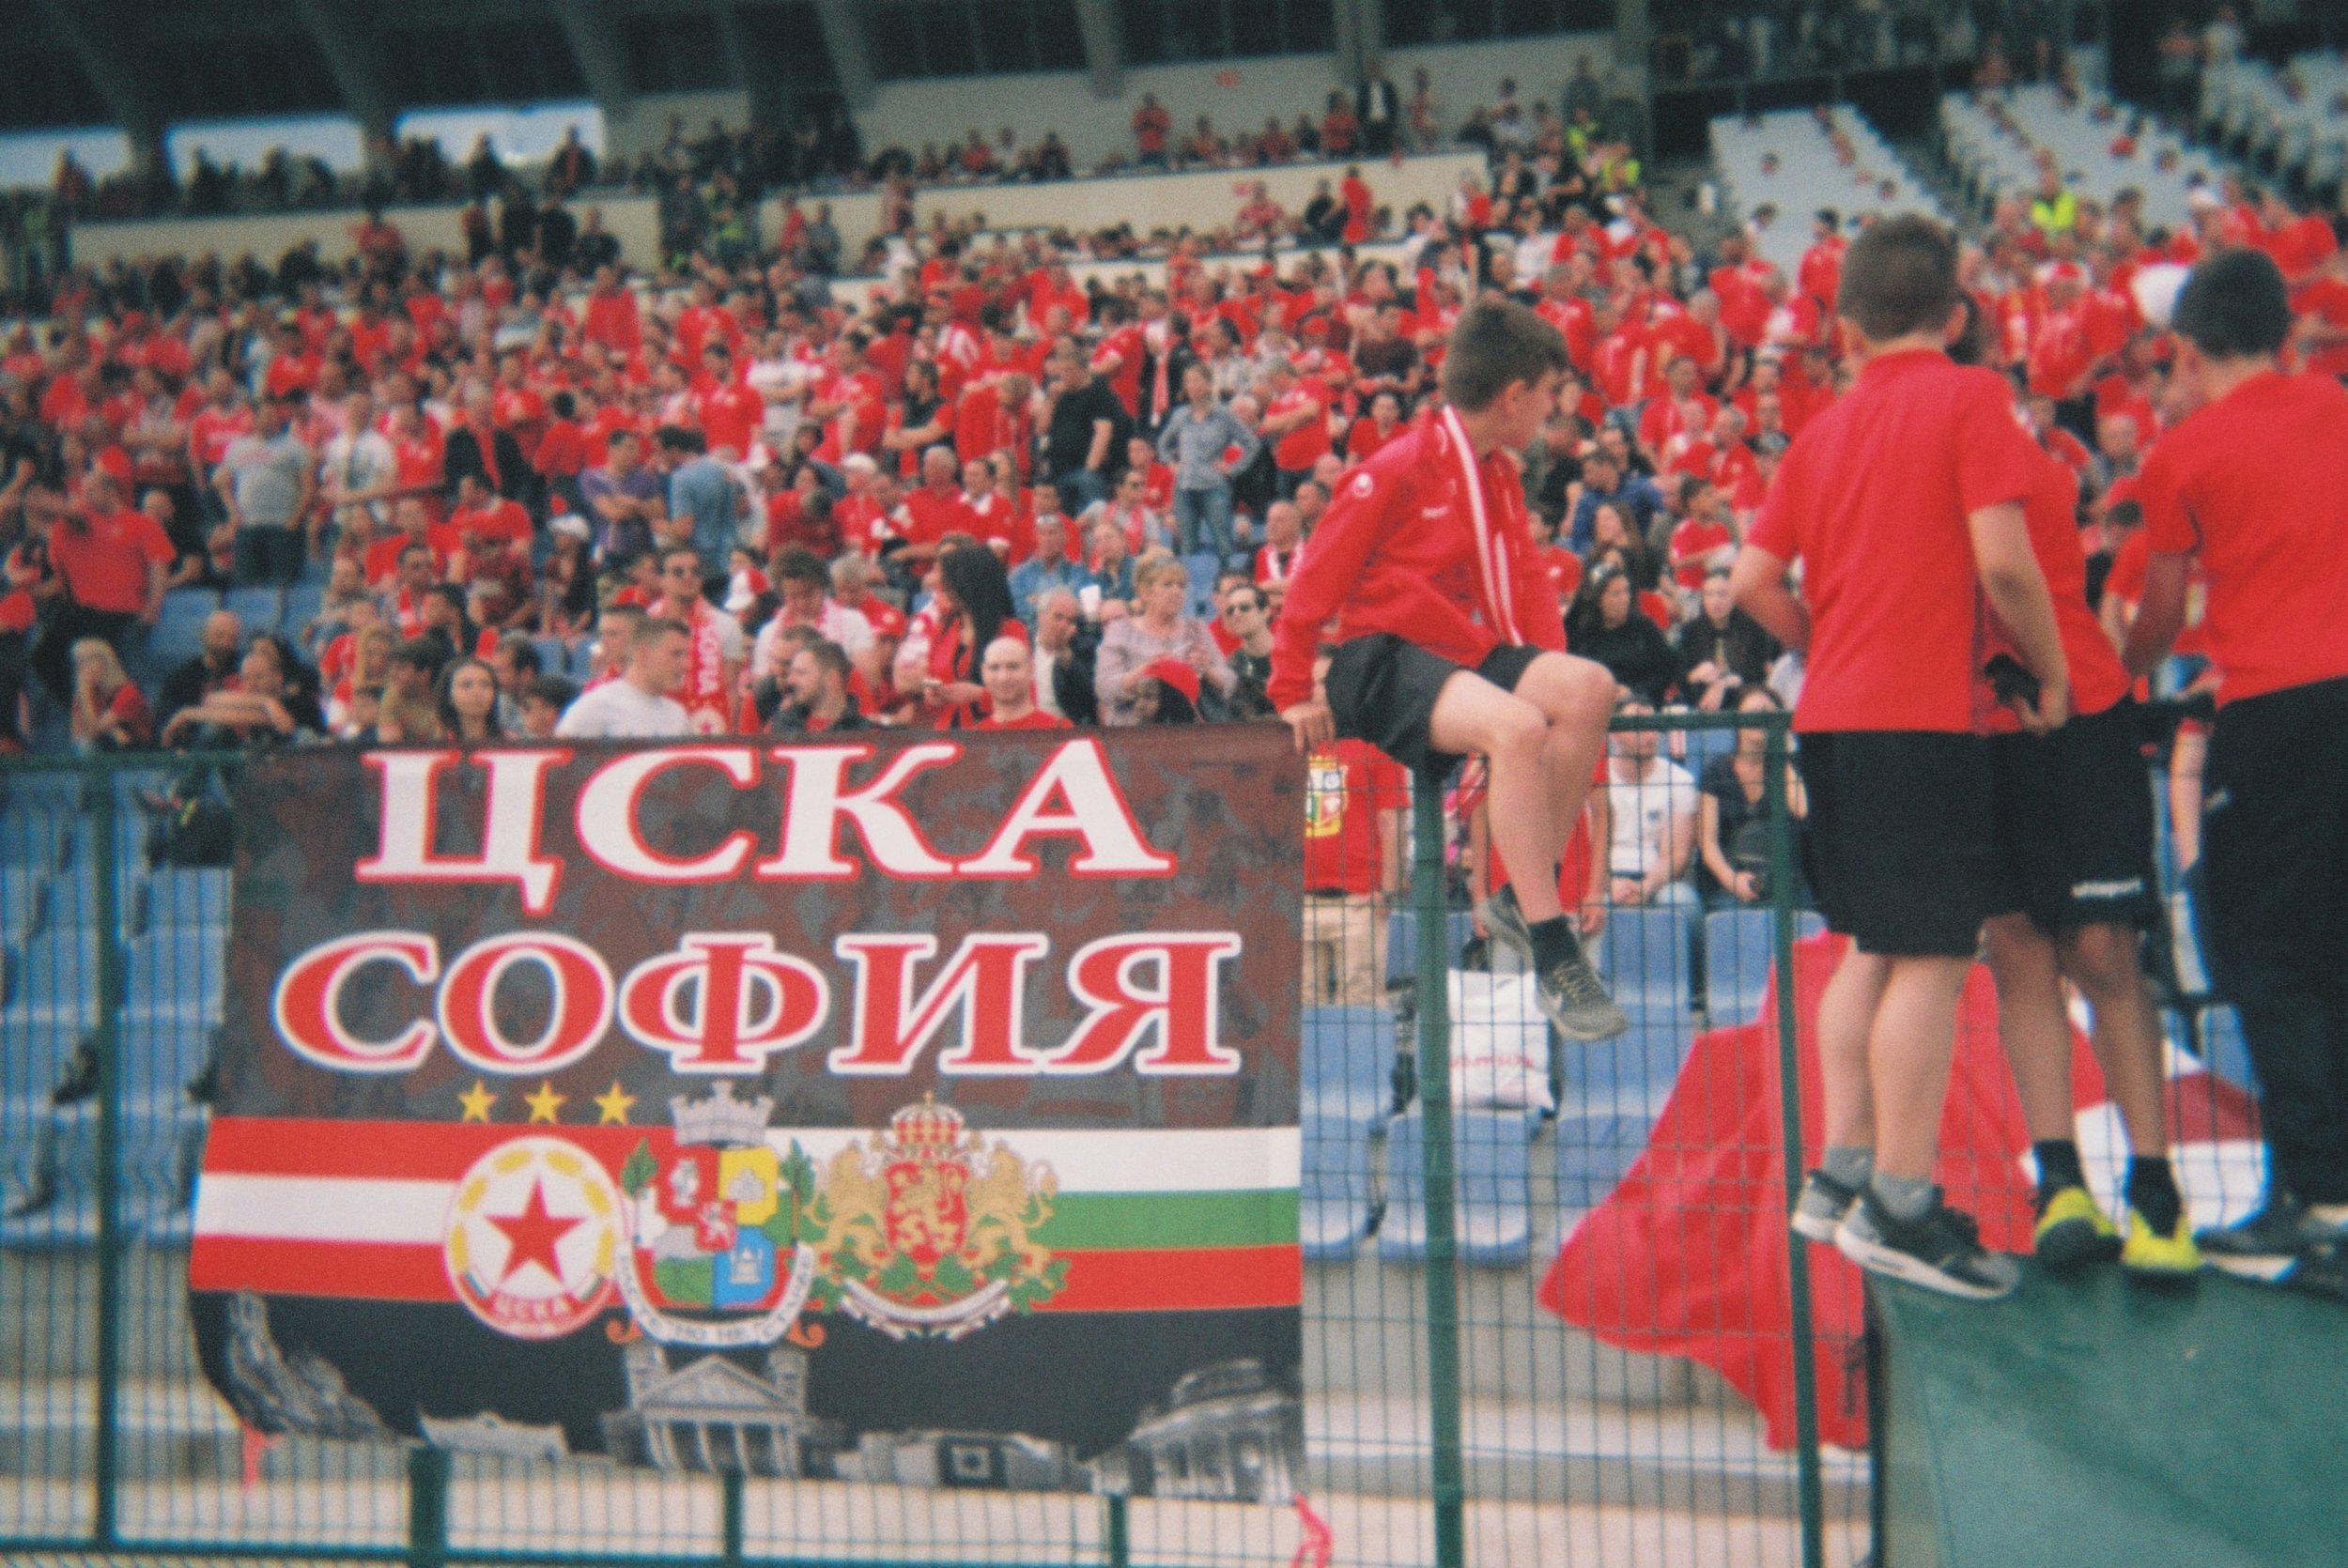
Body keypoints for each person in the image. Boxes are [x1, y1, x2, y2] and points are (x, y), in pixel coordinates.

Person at [1732, 214, 2069, 1300]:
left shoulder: (1821, 430)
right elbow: (2006, 564)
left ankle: (1836, 1175)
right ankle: (1902, 1202)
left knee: (1870, 942)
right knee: (1932, 950)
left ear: (1843, 325)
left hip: (1832, 715)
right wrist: (2048, 666)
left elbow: (1748, 580)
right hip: (1923, 716)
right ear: (1957, 316)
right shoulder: (1968, 395)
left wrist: (1821, 644)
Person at [1270, 299, 1628, 1042]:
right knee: (1519, 727)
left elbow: (1525, 581)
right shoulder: (1395, 467)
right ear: (1514, 396)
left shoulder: (1496, 473)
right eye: (1551, 396)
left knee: (1590, 688)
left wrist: (1550, 667)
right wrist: (1290, 690)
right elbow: (1313, 583)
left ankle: (1514, 892)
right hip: (1382, 659)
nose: (1556, 414)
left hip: (1465, 651)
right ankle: (1553, 943)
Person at [2121, 248, 2348, 1297]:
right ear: (2288, 335)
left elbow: (2160, 618)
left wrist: (2124, 670)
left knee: (2262, 949)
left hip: (2274, 718)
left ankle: (2321, 1202)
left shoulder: (2184, 453)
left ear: (2187, 349)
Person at [1303, 656, 1407, 1007]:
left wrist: (1387, 890)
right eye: (1311, 681)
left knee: (1361, 1004)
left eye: (1322, 681)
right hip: (1301, 898)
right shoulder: (1294, 747)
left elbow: (1391, 821)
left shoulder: (1375, 748)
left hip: (1360, 899)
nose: (1314, 689)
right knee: (1302, 1010)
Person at [1695, 686, 1805, 908]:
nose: (1762, 719)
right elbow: (1707, 842)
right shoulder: (1716, 770)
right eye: (1755, 711)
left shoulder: (1789, 768)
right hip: (1728, 882)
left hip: (1784, 881)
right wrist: (1731, 880)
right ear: (1738, 720)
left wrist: (1780, 753)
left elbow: (1802, 809)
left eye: (1769, 714)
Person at [1096, 552, 1235, 725]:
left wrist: (1207, 669)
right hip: (1133, 734)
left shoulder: (1197, 628)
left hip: (1189, 731)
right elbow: (1105, 688)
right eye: (1168, 585)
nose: (1177, 591)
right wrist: (1146, 671)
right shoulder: (1121, 631)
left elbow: (1230, 682)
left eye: (1181, 586)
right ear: (1145, 592)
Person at [1155, 364, 1258, 564]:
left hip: (1214, 485)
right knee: (1187, 544)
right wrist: (1172, 463)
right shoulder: (1180, 415)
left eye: (1197, 380)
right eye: (1189, 381)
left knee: (1223, 541)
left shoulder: (1224, 415)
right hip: (1184, 486)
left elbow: (1251, 444)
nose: (1192, 385)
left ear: (1208, 384)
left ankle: (1229, 582)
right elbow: (1162, 444)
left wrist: (1233, 468)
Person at [1604, 696, 1699, 910]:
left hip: (1656, 878)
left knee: (1681, 900)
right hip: (1603, 878)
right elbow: (1587, 849)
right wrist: (1610, 885)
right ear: (1615, 734)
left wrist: (1646, 887)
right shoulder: (1591, 779)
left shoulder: (1680, 780)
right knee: (1586, 902)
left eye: (1652, 725)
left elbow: (1677, 853)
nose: (1649, 734)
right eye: (1637, 726)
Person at [920, 543, 1025, 730]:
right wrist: (932, 695)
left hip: (998, 734)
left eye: (951, 583)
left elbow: (1025, 695)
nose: (943, 588)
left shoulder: (1011, 631)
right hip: (948, 733)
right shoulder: (942, 630)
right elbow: (932, 681)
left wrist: (979, 696)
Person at [214, 395, 314, 586]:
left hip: (282, 526)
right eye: (265, 415)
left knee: (282, 583)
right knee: (247, 585)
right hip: (247, 526)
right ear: (254, 418)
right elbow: (223, 482)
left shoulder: (294, 447)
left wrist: (295, 519)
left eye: (273, 415)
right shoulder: (236, 448)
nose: (270, 419)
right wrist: (233, 513)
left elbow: (308, 487)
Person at [555, 614, 694, 738]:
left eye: (685, 655)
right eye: (676, 654)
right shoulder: (597, 706)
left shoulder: (677, 715)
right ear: (643, 655)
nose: (686, 665)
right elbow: (560, 760)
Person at [1568, 564, 1676, 705]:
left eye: (1626, 591)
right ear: (1598, 600)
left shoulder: (1644, 627)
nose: (1625, 599)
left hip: (1641, 705)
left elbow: (1666, 670)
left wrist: (1633, 692)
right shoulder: (1581, 632)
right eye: (1616, 594)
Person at [1676, 567, 1777, 710]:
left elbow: (1756, 673)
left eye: (1722, 594)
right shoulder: (1691, 631)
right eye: (1709, 595)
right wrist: (1695, 674)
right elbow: (1681, 675)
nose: (1715, 601)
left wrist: (1722, 683)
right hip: (1700, 703)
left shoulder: (1752, 629)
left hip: (1744, 702)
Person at [69, 638, 152, 750]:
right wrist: (113, 730)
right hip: (106, 753)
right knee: (84, 746)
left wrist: (84, 692)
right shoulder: (86, 695)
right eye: (77, 661)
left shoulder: (128, 692)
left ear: (104, 662)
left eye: (85, 660)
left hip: (138, 756)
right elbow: (77, 736)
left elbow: (94, 732)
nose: (80, 667)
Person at [771, 638, 869, 733]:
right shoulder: (780, 728)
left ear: (831, 678)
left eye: (801, 673)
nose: (790, 680)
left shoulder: (867, 733)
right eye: (792, 673)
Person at [1031, 587, 1097, 726]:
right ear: (1040, 616)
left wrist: (1064, 654)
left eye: (1070, 621)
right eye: (1058, 617)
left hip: (1065, 727)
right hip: (1026, 726)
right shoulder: (1024, 646)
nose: (1063, 625)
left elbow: (1086, 697)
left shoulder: (1084, 648)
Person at [977, 637, 1068, 730]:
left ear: (1031, 669)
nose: (1003, 677)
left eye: (1013, 667)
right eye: (994, 668)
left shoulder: (1062, 731)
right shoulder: (972, 740)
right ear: (983, 672)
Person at [1219, 581, 1276, 718]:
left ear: (1265, 612)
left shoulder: (1289, 655)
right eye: (1230, 610)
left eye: (1244, 607)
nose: (1236, 614)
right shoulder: (1232, 665)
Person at [436, 655, 504, 744]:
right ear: (448, 696)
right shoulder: (430, 745)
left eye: (485, 684)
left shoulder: (512, 742)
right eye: (466, 685)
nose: (477, 692)